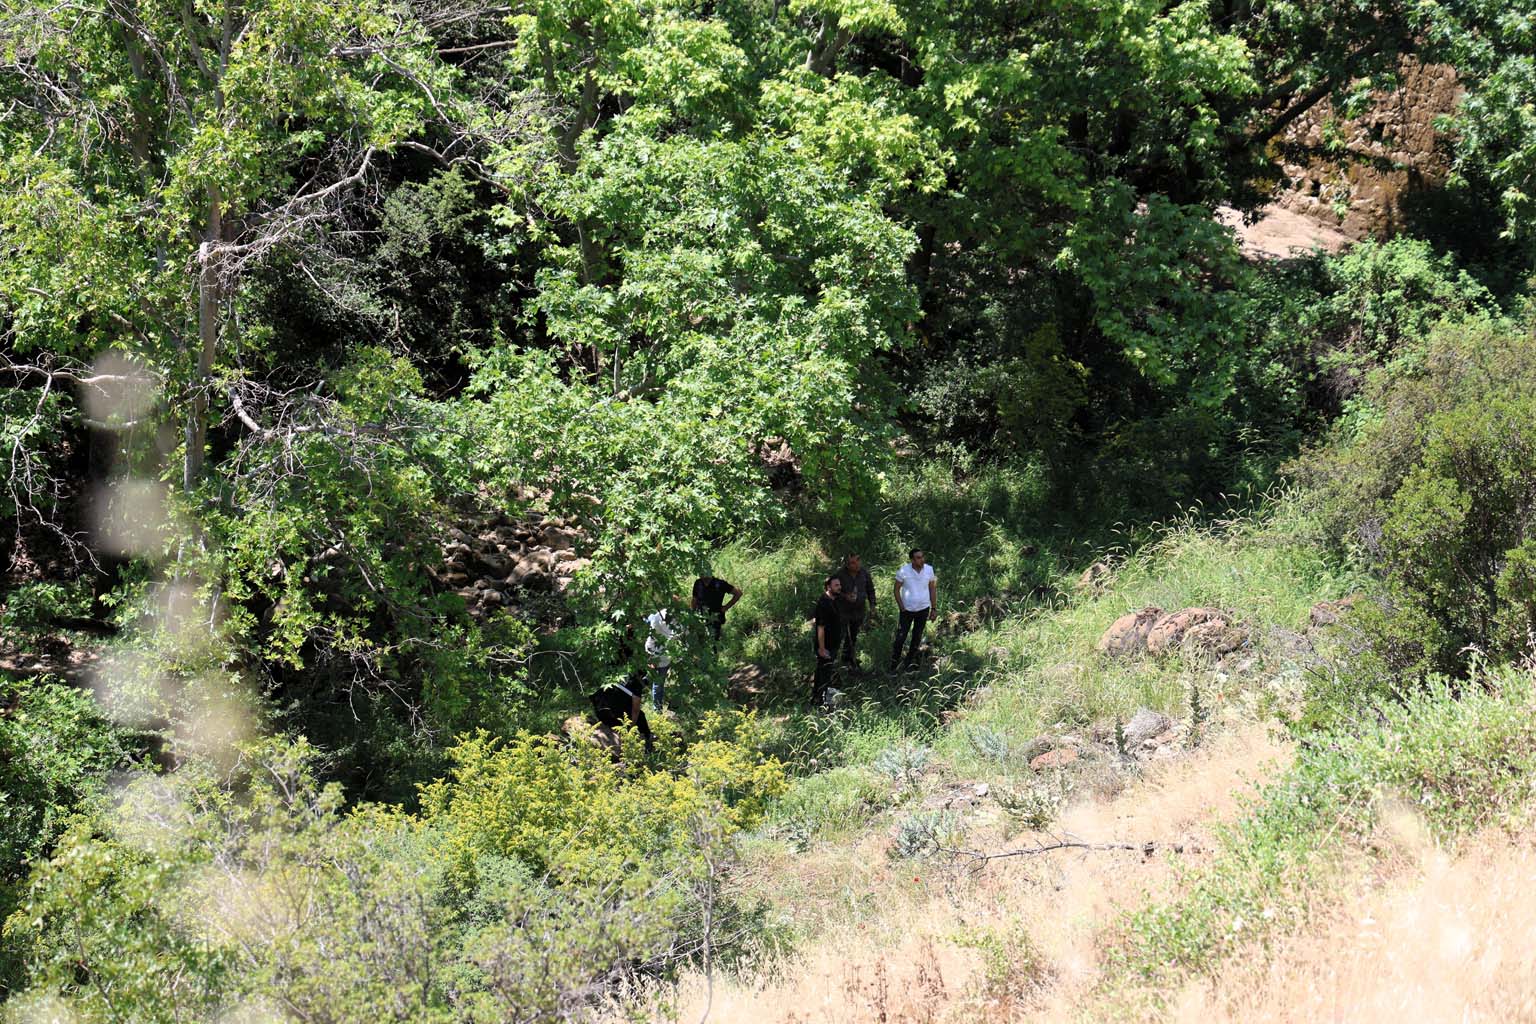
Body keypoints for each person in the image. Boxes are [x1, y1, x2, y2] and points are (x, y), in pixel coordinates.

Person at [588, 669, 655, 757]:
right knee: (640, 715)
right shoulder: (636, 685)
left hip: (600, 711)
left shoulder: (618, 673)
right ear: (640, 677)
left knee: (624, 705)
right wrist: (631, 728)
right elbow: (636, 710)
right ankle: (647, 739)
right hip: (611, 714)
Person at [890, 548, 937, 672]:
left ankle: (909, 663)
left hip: (923, 609)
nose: (922, 560)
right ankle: (893, 664)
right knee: (901, 637)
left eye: (922, 557)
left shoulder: (929, 570)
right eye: (918, 558)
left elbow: (932, 589)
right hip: (907, 610)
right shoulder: (904, 571)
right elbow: (896, 590)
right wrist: (901, 606)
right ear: (912, 560)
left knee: (917, 636)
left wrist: (934, 608)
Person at [833, 553, 877, 670]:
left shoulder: (864, 573)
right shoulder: (840, 575)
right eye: (853, 562)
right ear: (847, 565)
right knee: (839, 635)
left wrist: (872, 605)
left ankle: (847, 659)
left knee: (853, 636)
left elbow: (870, 590)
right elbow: (832, 590)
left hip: (858, 611)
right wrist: (845, 596)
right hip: (843, 611)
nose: (857, 564)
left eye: (858, 560)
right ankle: (832, 661)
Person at [812, 575, 844, 706]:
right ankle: (820, 701)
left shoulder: (834, 599)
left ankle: (819, 699)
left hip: (833, 644)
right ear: (828, 587)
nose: (839, 587)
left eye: (839, 585)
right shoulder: (824, 603)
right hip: (826, 646)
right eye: (836, 585)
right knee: (823, 673)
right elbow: (820, 627)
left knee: (825, 672)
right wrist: (821, 648)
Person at [691, 572, 742, 643]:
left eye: (704, 572)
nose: (702, 575)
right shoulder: (698, 583)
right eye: (701, 573)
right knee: (700, 642)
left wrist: (726, 607)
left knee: (713, 642)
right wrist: (692, 614)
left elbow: (738, 593)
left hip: (715, 618)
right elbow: (694, 599)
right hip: (700, 617)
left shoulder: (720, 584)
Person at [644, 607, 678, 708]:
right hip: (656, 655)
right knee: (657, 683)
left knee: (661, 683)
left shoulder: (678, 620)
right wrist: (651, 657)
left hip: (669, 656)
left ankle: (663, 706)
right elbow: (651, 640)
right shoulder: (657, 620)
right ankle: (656, 707)